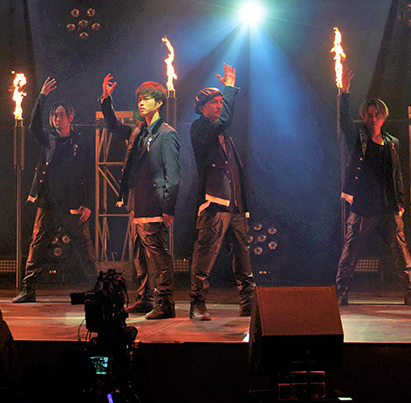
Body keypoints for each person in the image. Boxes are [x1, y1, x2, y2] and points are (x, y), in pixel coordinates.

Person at [335, 67, 411, 307]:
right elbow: (344, 121)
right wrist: (344, 92)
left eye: (377, 114)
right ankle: (341, 293)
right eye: (369, 115)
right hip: (363, 205)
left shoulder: (392, 143)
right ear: (364, 117)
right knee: (351, 250)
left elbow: (397, 174)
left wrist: (400, 202)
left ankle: (410, 293)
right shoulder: (359, 138)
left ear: (383, 116)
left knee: (401, 251)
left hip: (388, 205)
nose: (373, 118)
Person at [101, 74, 181, 320]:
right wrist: (106, 100)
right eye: (139, 99)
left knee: (157, 255)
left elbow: (174, 176)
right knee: (138, 254)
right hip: (137, 202)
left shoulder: (166, 134)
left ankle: (165, 302)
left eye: (146, 99)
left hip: (155, 204)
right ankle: (144, 298)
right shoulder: (138, 131)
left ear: (159, 103)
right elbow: (114, 126)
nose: (141, 103)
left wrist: (168, 208)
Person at [13, 77, 98, 303]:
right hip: (48, 201)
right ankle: (28, 288)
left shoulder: (80, 142)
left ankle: (97, 287)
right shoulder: (47, 139)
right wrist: (41, 98)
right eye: (54, 115)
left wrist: (88, 204)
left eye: (60, 115)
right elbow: (33, 125)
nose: (56, 119)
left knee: (84, 245)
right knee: (38, 243)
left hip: (73, 203)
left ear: (70, 117)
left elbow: (89, 174)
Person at [188, 63, 255, 321]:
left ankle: (248, 302)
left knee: (242, 254)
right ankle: (197, 303)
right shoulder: (200, 128)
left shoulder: (224, 135)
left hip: (234, 203)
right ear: (201, 108)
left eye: (220, 101)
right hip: (215, 202)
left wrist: (242, 202)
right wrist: (229, 89)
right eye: (213, 102)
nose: (218, 105)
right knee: (206, 251)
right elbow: (225, 119)